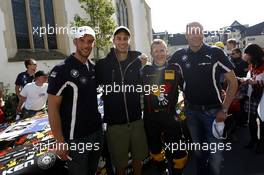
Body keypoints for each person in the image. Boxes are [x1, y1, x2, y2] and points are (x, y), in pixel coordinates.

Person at [169, 22, 238, 175]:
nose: (195, 35)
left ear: (203, 33)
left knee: (215, 155)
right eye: (191, 32)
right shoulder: (179, 55)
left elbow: (233, 82)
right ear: (186, 35)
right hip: (191, 112)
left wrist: (224, 109)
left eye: (198, 31)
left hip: (213, 113)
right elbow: (163, 70)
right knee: (199, 153)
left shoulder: (215, 52)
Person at [47, 26, 103, 175]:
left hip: (96, 133)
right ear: (75, 42)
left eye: (90, 41)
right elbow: (52, 108)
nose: (86, 45)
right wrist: (60, 141)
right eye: (82, 41)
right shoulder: (61, 70)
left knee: (92, 171)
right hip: (75, 139)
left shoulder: (93, 68)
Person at [95, 26, 148, 175]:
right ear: (113, 41)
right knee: (120, 163)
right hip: (115, 124)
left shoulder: (138, 61)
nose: (122, 42)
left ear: (129, 41)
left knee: (138, 159)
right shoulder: (103, 65)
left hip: (136, 119)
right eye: (119, 38)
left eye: (125, 38)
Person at [142, 39, 189, 175]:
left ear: (166, 51)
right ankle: (162, 170)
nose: (159, 54)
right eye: (155, 51)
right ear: (151, 53)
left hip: (170, 117)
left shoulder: (175, 68)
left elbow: (188, 88)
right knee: (155, 150)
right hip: (151, 118)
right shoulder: (145, 70)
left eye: (162, 50)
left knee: (179, 152)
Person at [241, 44, 264, 153]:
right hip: (253, 96)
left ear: (253, 54)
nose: (245, 56)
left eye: (247, 53)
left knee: (262, 121)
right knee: (251, 121)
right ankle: (253, 140)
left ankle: (261, 144)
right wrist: (246, 79)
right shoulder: (252, 64)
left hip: (261, 97)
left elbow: (258, 81)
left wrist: (253, 82)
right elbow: (251, 77)